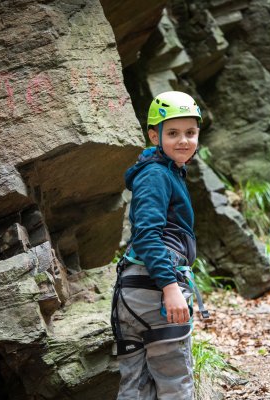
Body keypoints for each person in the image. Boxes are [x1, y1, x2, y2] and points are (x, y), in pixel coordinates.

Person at [111, 91, 209, 399]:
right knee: (174, 383)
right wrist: (169, 287)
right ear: (155, 135)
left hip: (134, 291)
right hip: (154, 291)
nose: (184, 140)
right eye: (173, 133)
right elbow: (147, 235)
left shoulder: (158, 170)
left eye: (190, 133)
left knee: (137, 385)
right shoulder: (155, 175)